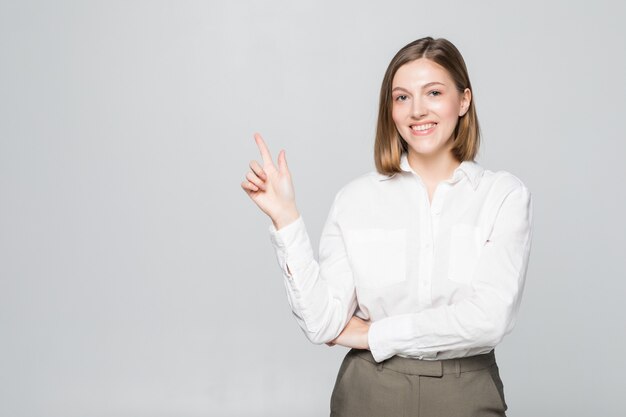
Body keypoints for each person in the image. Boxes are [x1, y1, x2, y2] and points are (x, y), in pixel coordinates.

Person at [241, 36, 533, 417]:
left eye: (433, 92)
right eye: (401, 97)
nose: (417, 110)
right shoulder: (355, 198)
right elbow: (322, 322)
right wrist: (286, 219)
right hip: (370, 390)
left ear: (463, 100)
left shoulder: (502, 195)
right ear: (390, 110)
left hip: (466, 391)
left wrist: (374, 334)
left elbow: (488, 320)